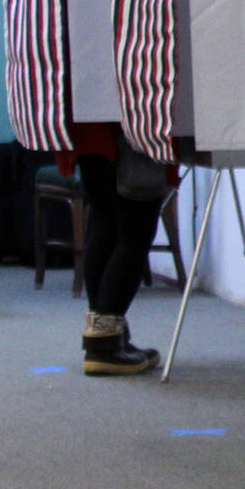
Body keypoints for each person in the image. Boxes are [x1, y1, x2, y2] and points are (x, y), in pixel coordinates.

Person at [57, 122, 171, 376]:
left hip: (88, 119)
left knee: (103, 218)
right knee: (136, 228)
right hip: (133, 117)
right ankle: (105, 345)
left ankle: (107, 334)